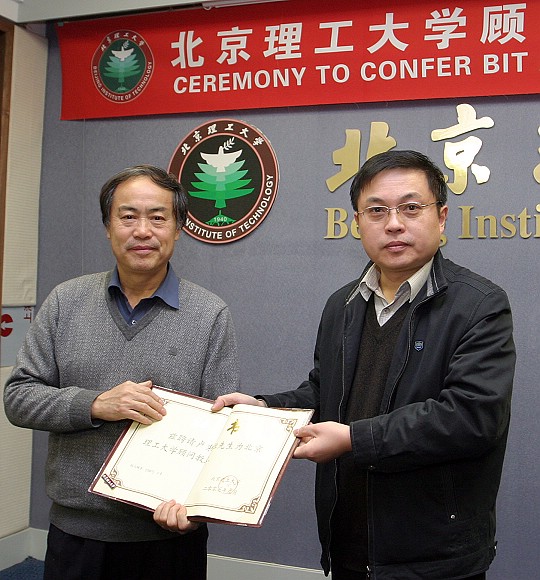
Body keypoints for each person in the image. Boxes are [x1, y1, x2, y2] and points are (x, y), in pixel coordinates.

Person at [213, 150, 515, 579]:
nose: (393, 224)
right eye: (376, 211)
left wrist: (353, 439)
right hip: (348, 545)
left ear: (442, 217)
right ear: (357, 222)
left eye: (411, 208)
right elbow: (325, 392)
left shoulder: (479, 305)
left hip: (434, 556)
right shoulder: (343, 304)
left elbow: (470, 418)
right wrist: (265, 409)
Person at [4, 165, 240, 580]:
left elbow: (224, 430)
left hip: (168, 537)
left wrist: (197, 509)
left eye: (158, 217)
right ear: (108, 227)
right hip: (77, 534)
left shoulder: (210, 314)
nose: (142, 231)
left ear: (178, 228)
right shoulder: (65, 301)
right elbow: (18, 397)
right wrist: (95, 404)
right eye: (128, 216)